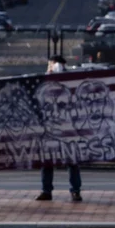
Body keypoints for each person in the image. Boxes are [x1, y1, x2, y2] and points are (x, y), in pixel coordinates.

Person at [37, 54, 82, 202]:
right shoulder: (46, 82)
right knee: (47, 161)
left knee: (72, 160)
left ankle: (75, 190)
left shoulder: (68, 81)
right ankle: (47, 190)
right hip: (50, 129)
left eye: (53, 64)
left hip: (67, 128)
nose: (51, 67)